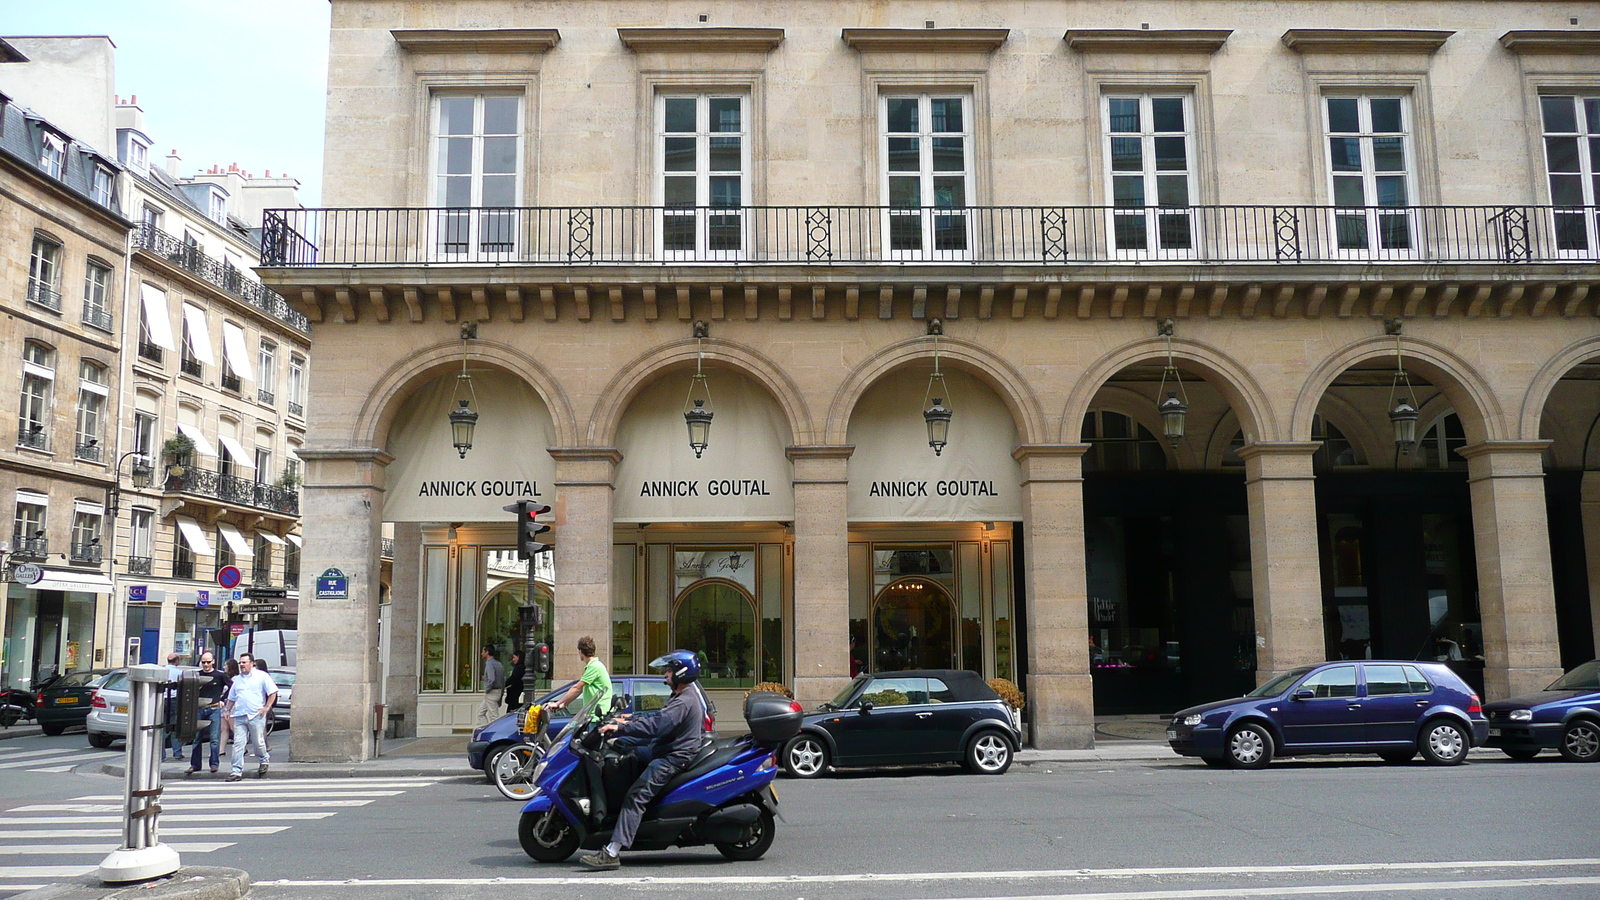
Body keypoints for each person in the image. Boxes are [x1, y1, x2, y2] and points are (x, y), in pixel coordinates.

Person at [577, 650, 706, 870]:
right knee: (627, 748)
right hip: (664, 748)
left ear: (681, 673)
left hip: (672, 757)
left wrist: (620, 727)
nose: (666, 674)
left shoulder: (684, 700)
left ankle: (612, 852)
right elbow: (660, 716)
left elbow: (657, 726)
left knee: (635, 796)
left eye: (669, 671)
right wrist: (627, 719)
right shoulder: (683, 695)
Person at [223, 653, 277, 782]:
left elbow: (272, 692)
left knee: (258, 742)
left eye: (244, 662)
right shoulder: (237, 679)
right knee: (238, 743)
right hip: (240, 714)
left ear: (251, 663)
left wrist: (267, 707)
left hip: (255, 714)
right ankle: (236, 771)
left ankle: (264, 759)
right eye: (240, 663)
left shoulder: (262, 676)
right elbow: (232, 697)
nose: (242, 665)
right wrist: (228, 709)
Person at [547, 635, 613, 722]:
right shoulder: (594, 666)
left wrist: (557, 703)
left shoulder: (594, 666)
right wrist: (565, 703)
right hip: (594, 715)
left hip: (597, 716)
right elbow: (580, 690)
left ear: (580, 651)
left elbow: (577, 688)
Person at [186, 652, 229, 775]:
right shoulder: (197, 675)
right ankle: (195, 765)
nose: (206, 665)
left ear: (213, 662)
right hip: (199, 709)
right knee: (196, 738)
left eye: (208, 662)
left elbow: (232, 687)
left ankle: (214, 764)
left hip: (214, 708)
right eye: (203, 662)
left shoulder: (220, 675)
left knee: (214, 738)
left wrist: (223, 699)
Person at [477, 645, 505, 727]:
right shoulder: (499, 664)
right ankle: (486, 729)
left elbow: (491, 679)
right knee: (480, 713)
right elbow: (503, 681)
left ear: (487, 652)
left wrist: (487, 689)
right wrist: (501, 696)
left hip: (492, 692)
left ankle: (495, 733)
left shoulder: (489, 663)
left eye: (483, 651)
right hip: (498, 691)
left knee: (494, 716)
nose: (482, 653)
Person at [164, 653, 184, 760]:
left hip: (162, 701)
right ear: (176, 661)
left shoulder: (162, 671)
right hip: (174, 701)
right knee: (175, 727)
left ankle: (161, 755)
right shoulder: (179, 673)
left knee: (161, 727)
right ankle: (177, 753)